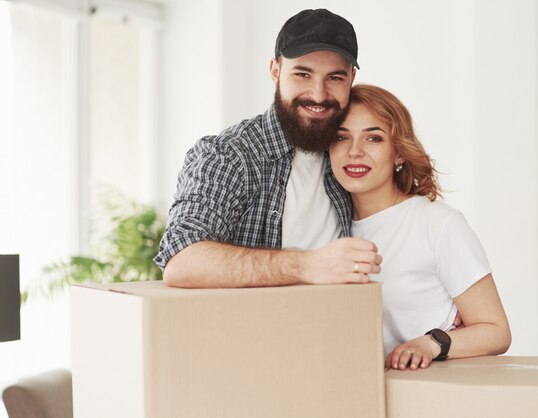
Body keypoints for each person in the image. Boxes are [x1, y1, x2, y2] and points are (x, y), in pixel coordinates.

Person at [155, 9, 382, 288]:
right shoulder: (228, 155)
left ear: (351, 78)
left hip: (334, 326)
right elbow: (181, 263)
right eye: (302, 74)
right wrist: (306, 265)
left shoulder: (348, 155)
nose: (319, 94)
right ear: (275, 71)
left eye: (335, 78)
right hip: (253, 329)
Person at [328, 84, 511, 370]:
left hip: (431, 396)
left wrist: (431, 343)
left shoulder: (436, 223)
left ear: (399, 153)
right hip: (360, 398)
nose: (354, 152)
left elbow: (496, 330)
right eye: (341, 137)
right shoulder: (326, 231)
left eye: (373, 138)